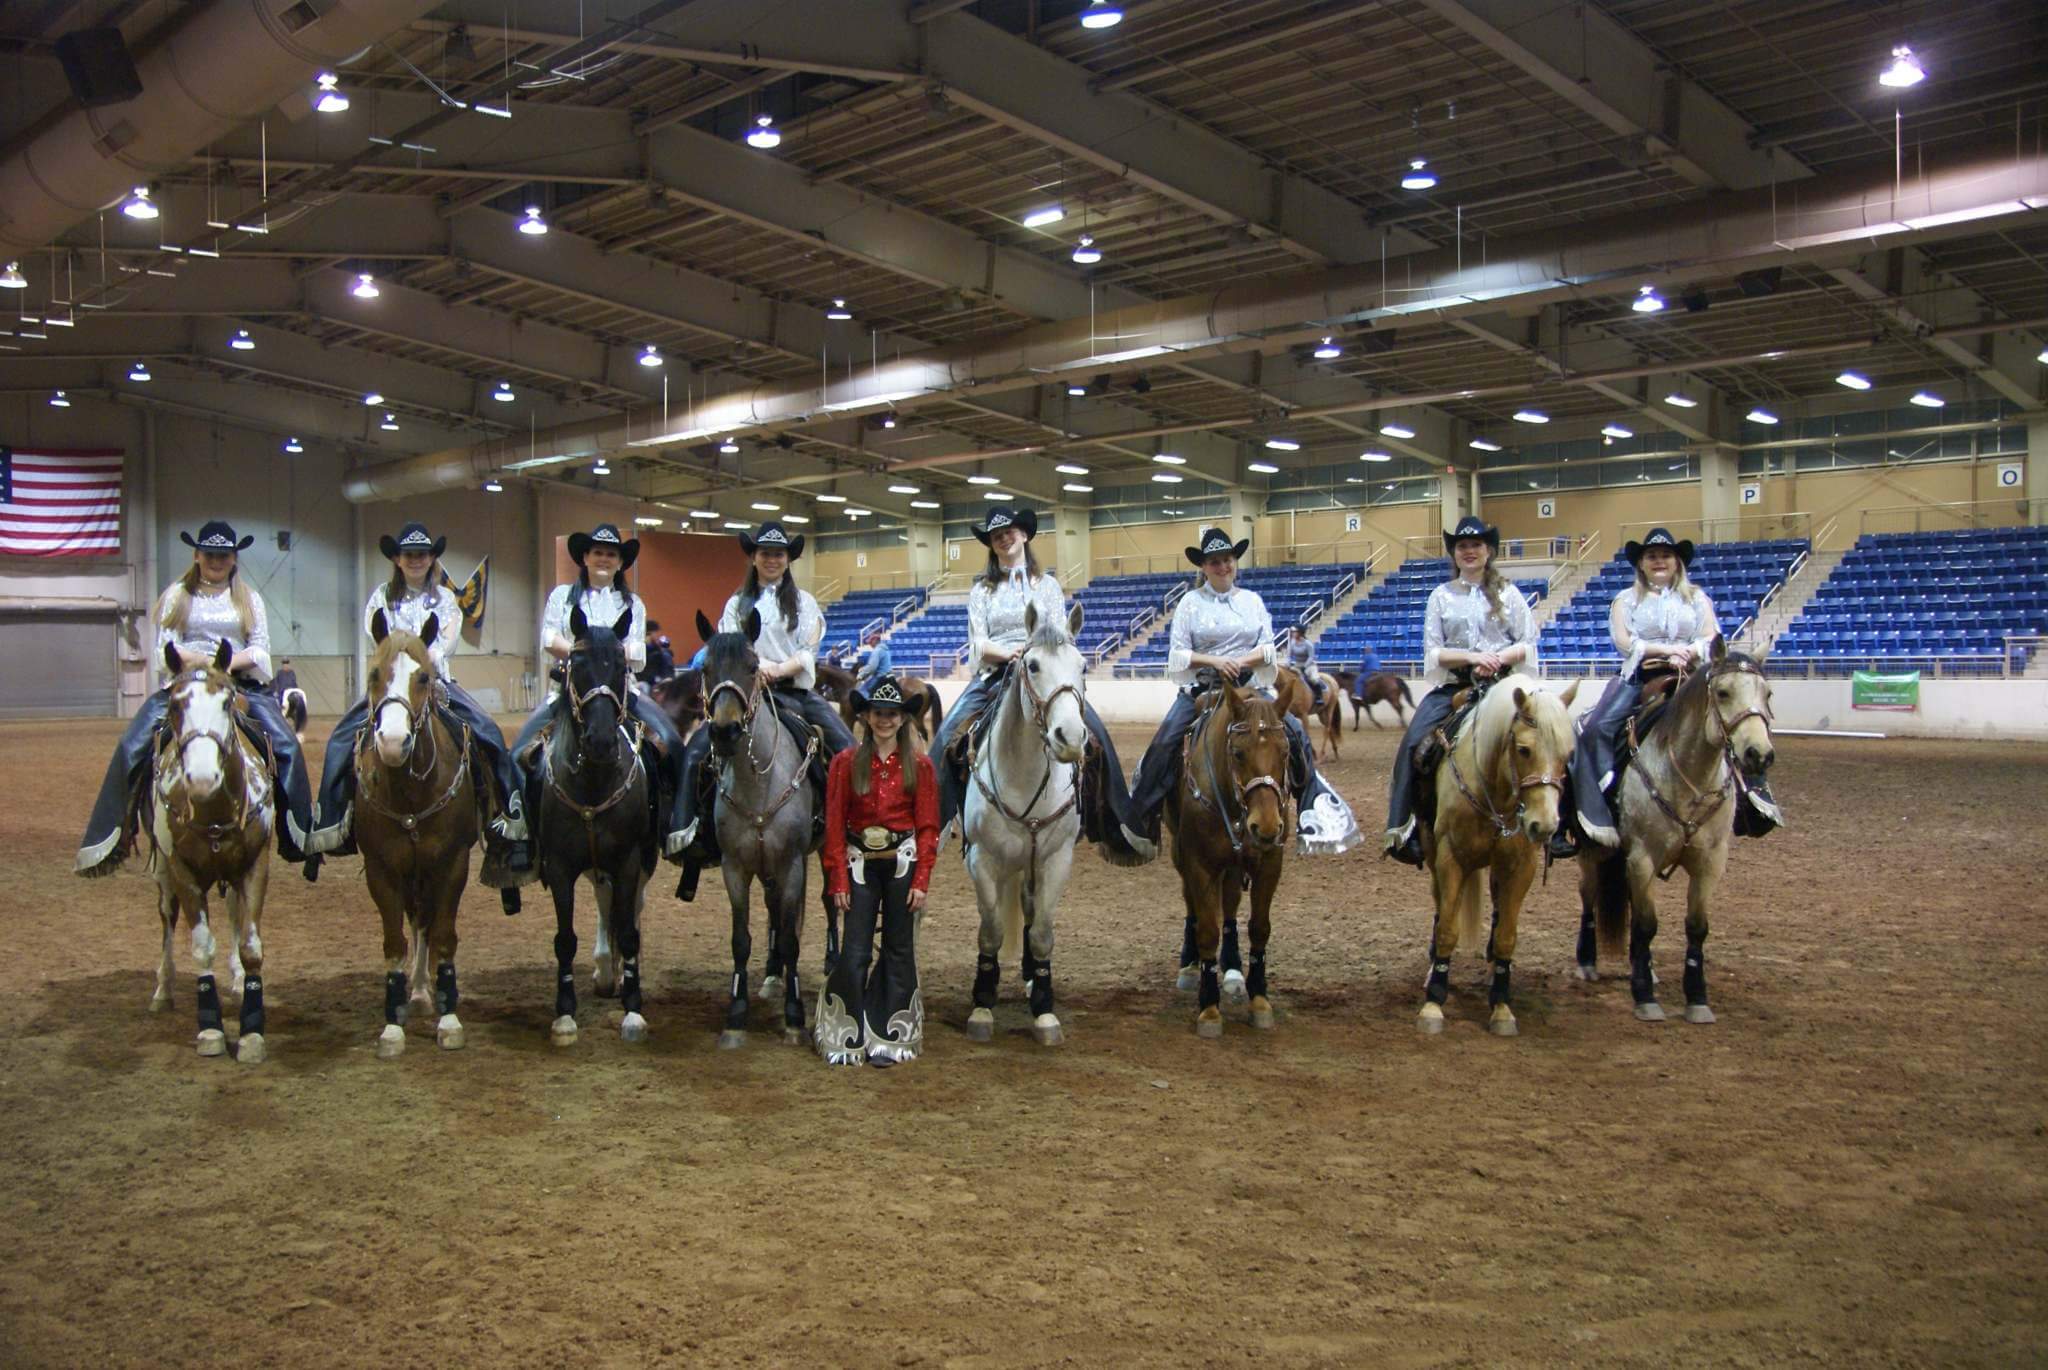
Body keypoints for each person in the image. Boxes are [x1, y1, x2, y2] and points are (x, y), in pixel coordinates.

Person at [304, 522, 530, 900]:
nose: (416, 560)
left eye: (422, 554)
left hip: (434, 683)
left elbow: (445, 644)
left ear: (431, 559)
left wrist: (421, 663)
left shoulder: (445, 600)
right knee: (341, 739)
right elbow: (377, 644)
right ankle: (330, 823)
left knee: (488, 732)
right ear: (397, 558)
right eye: (409, 555)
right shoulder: (380, 598)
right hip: (391, 685)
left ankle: (508, 823)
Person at [76, 520, 313, 874]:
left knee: (288, 747)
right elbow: (165, 649)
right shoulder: (177, 595)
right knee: (131, 746)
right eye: (210, 554)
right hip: (184, 684)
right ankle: (115, 835)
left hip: (237, 684)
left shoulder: (249, 599)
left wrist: (227, 663)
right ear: (197, 555)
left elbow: (261, 651)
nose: (217, 560)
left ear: (233, 558)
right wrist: (204, 661)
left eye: (224, 554)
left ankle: (297, 836)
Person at [1123, 527, 1362, 857]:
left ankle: (1312, 809)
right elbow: (1177, 654)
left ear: (1235, 562)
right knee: (1164, 743)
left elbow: (1267, 649)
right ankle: (1141, 819)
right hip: (1201, 690)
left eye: (1228, 560)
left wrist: (1238, 661)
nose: (1223, 567)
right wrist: (1216, 662)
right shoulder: (1189, 604)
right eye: (1215, 562)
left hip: (1251, 689)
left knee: (1294, 734)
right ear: (1204, 567)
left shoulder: (1253, 601)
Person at [926, 506, 1148, 862]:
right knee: (946, 739)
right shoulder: (981, 591)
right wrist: (1010, 653)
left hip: (1042, 673)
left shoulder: (1048, 586)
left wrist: (1034, 654)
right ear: (991, 544)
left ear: (1024, 535)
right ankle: (930, 827)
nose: (1003, 537)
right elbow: (978, 643)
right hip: (996, 675)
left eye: (1009, 531)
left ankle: (1113, 823)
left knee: (1096, 737)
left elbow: (1061, 635)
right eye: (996, 535)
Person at [1566, 526, 1779, 847]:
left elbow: (1710, 636)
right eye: (1652, 556)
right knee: (1595, 727)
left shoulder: (1697, 598)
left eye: (1666, 555)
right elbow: (1624, 642)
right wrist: (1667, 651)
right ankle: (1599, 799)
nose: (1659, 560)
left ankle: (1754, 796)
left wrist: (1690, 652)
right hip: (1641, 676)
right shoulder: (1624, 600)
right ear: (1641, 564)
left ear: (1677, 562)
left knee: (1736, 718)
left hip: (1693, 675)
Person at [672, 520, 854, 868]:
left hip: (795, 693)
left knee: (848, 749)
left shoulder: (804, 603)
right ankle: (691, 834)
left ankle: (851, 829)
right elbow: (725, 650)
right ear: (754, 557)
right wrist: (754, 675)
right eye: (765, 553)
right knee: (696, 753)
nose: (772, 560)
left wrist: (774, 670)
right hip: (745, 695)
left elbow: (806, 653)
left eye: (779, 554)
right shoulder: (736, 604)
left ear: (788, 559)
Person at [511, 523, 690, 856]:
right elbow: (549, 638)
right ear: (585, 557)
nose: (604, 559)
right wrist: (592, 652)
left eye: (611, 554)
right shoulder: (562, 597)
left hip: (624, 694)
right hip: (567, 694)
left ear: (620, 562)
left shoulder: (631, 603)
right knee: (516, 753)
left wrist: (597, 651)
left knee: (672, 744)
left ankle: (670, 826)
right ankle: (521, 833)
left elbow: (636, 652)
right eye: (598, 553)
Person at [1382, 516, 1539, 867]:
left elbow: (1527, 644)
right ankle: (1404, 829)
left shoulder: (1509, 593)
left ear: (1489, 551)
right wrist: (1472, 657)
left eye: (1476, 545)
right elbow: (1434, 651)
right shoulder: (1440, 596)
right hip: (1457, 684)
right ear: (1455, 553)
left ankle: (1556, 824)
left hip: (1504, 683)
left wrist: (1497, 658)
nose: (1469, 551)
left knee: (1547, 738)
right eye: (1462, 546)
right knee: (1413, 743)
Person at [816, 675, 939, 1067]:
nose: (885, 720)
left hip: (902, 860)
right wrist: (837, 878)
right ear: (866, 718)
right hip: (858, 863)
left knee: (899, 948)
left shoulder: (919, 766)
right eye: (878, 714)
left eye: (892, 714)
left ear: (903, 720)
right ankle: (846, 1029)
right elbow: (834, 825)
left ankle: (891, 1031)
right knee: (854, 948)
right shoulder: (844, 765)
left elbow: (927, 828)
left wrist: (921, 879)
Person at [1286, 631, 1328, 708]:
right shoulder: (1292, 643)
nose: (1292, 634)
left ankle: (1319, 697)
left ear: (1300, 633)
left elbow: (1311, 657)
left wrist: (1305, 666)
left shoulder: (1308, 643)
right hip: (1297, 665)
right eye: (1292, 632)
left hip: (1309, 665)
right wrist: (1287, 664)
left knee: (1313, 679)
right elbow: (1288, 656)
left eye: (1295, 632)